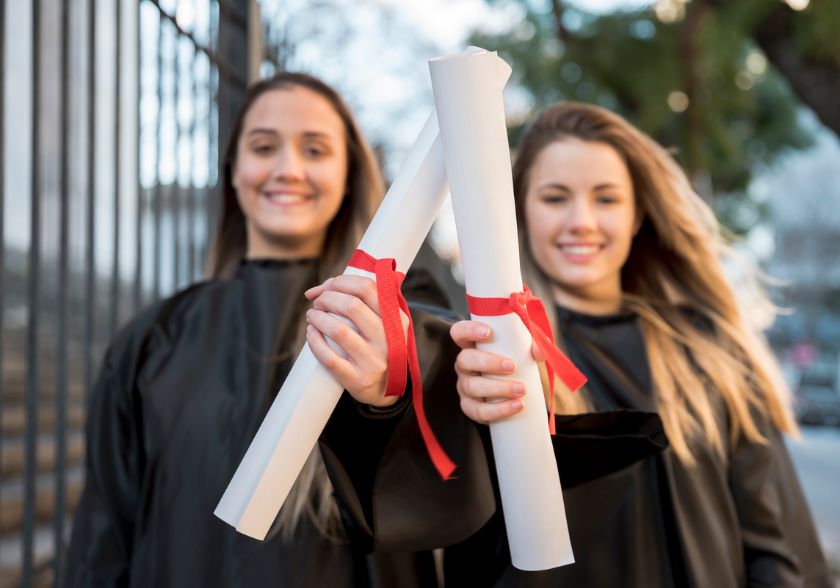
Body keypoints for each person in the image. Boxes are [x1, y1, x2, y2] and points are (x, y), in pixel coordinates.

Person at [64, 71, 472, 587]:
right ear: (233, 168)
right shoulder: (152, 339)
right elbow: (104, 533)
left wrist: (384, 397)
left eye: (315, 149)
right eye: (263, 146)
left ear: (348, 172)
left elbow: (446, 483)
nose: (288, 168)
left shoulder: (397, 321)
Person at [447, 101, 832, 587]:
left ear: (637, 215)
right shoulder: (490, 360)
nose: (581, 221)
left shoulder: (711, 352)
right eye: (555, 197)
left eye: (606, 199)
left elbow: (772, 544)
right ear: (521, 211)